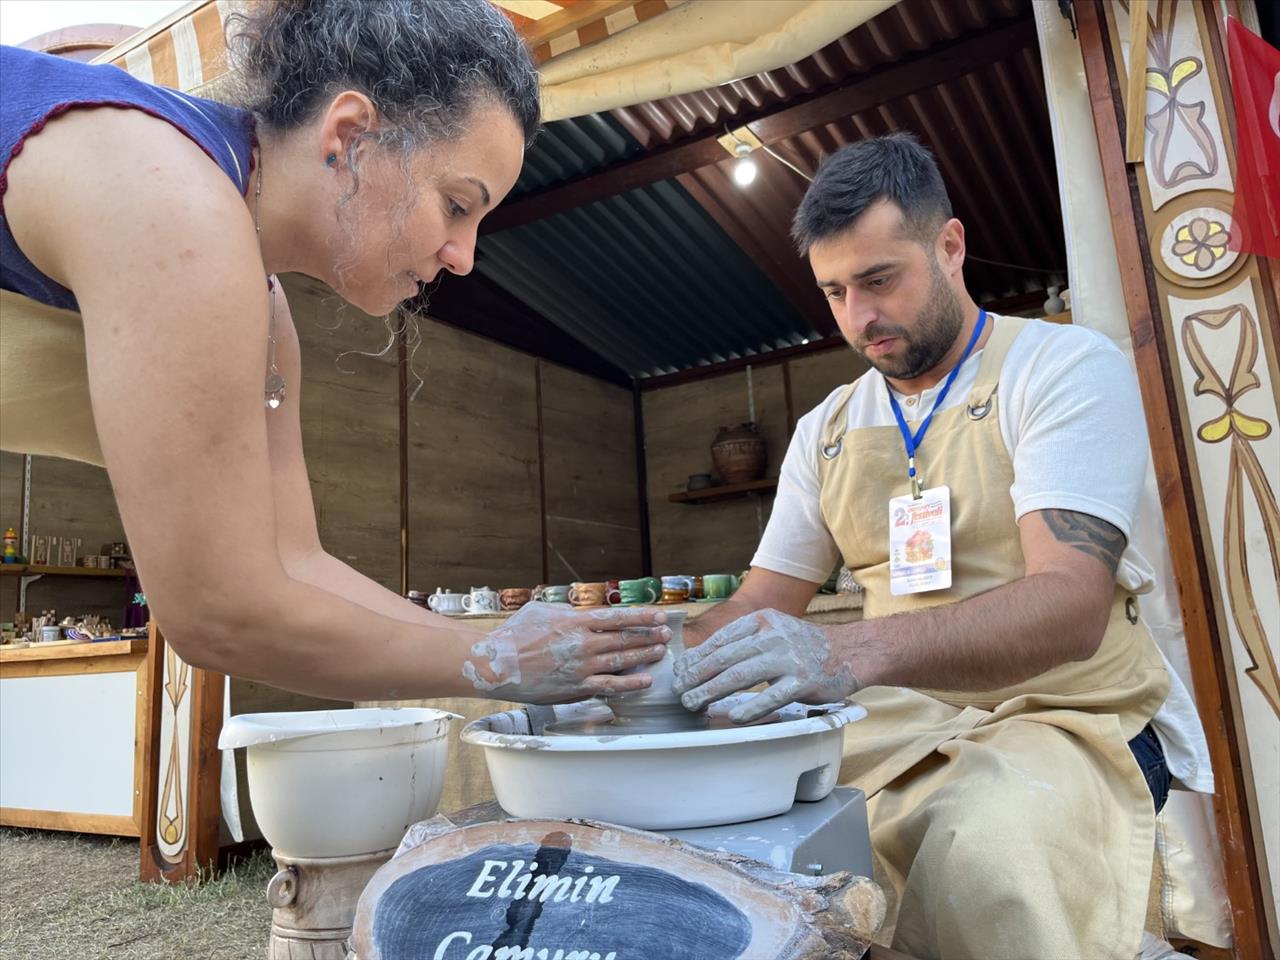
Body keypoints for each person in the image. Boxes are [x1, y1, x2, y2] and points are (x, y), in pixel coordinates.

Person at [0, 0, 668, 702]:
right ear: (349, 135)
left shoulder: (261, 307)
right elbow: (218, 611)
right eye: (457, 205)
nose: (465, 258)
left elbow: (294, 562)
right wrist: (496, 665)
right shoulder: (173, 195)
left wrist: (510, 644)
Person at [672, 134, 1207, 960]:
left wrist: (850, 650)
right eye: (835, 291)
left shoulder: (1060, 368)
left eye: (880, 279)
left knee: (982, 849)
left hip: (1068, 712)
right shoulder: (829, 430)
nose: (859, 317)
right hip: (898, 712)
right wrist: (633, 660)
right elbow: (756, 605)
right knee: (720, 821)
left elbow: (1070, 605)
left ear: (949, 246)